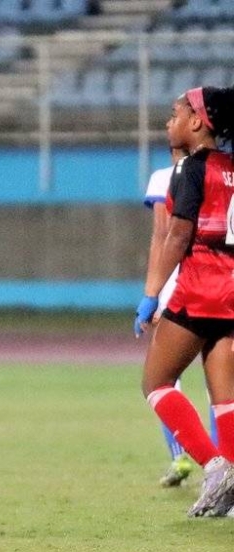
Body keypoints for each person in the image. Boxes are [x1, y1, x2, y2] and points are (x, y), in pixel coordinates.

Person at [135, 85, 234, 517]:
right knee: (225, 396)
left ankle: (214, 469)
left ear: (197, 122)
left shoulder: (190, 170)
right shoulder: (232, 167)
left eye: (176, 113)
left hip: (200, 288)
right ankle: (230, 489)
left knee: (156, 382)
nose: (169, 121)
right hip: (233, 292)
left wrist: (151, 294)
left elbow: (176, 235)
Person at [139, 146, 215, 488]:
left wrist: (151, 293)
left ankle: (184, 455)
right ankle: (223, 461)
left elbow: (164, 236)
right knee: (221, 381)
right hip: (220, 281)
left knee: (163, 377)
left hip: (181, 287)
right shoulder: (223, 173)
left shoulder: (166, 177)